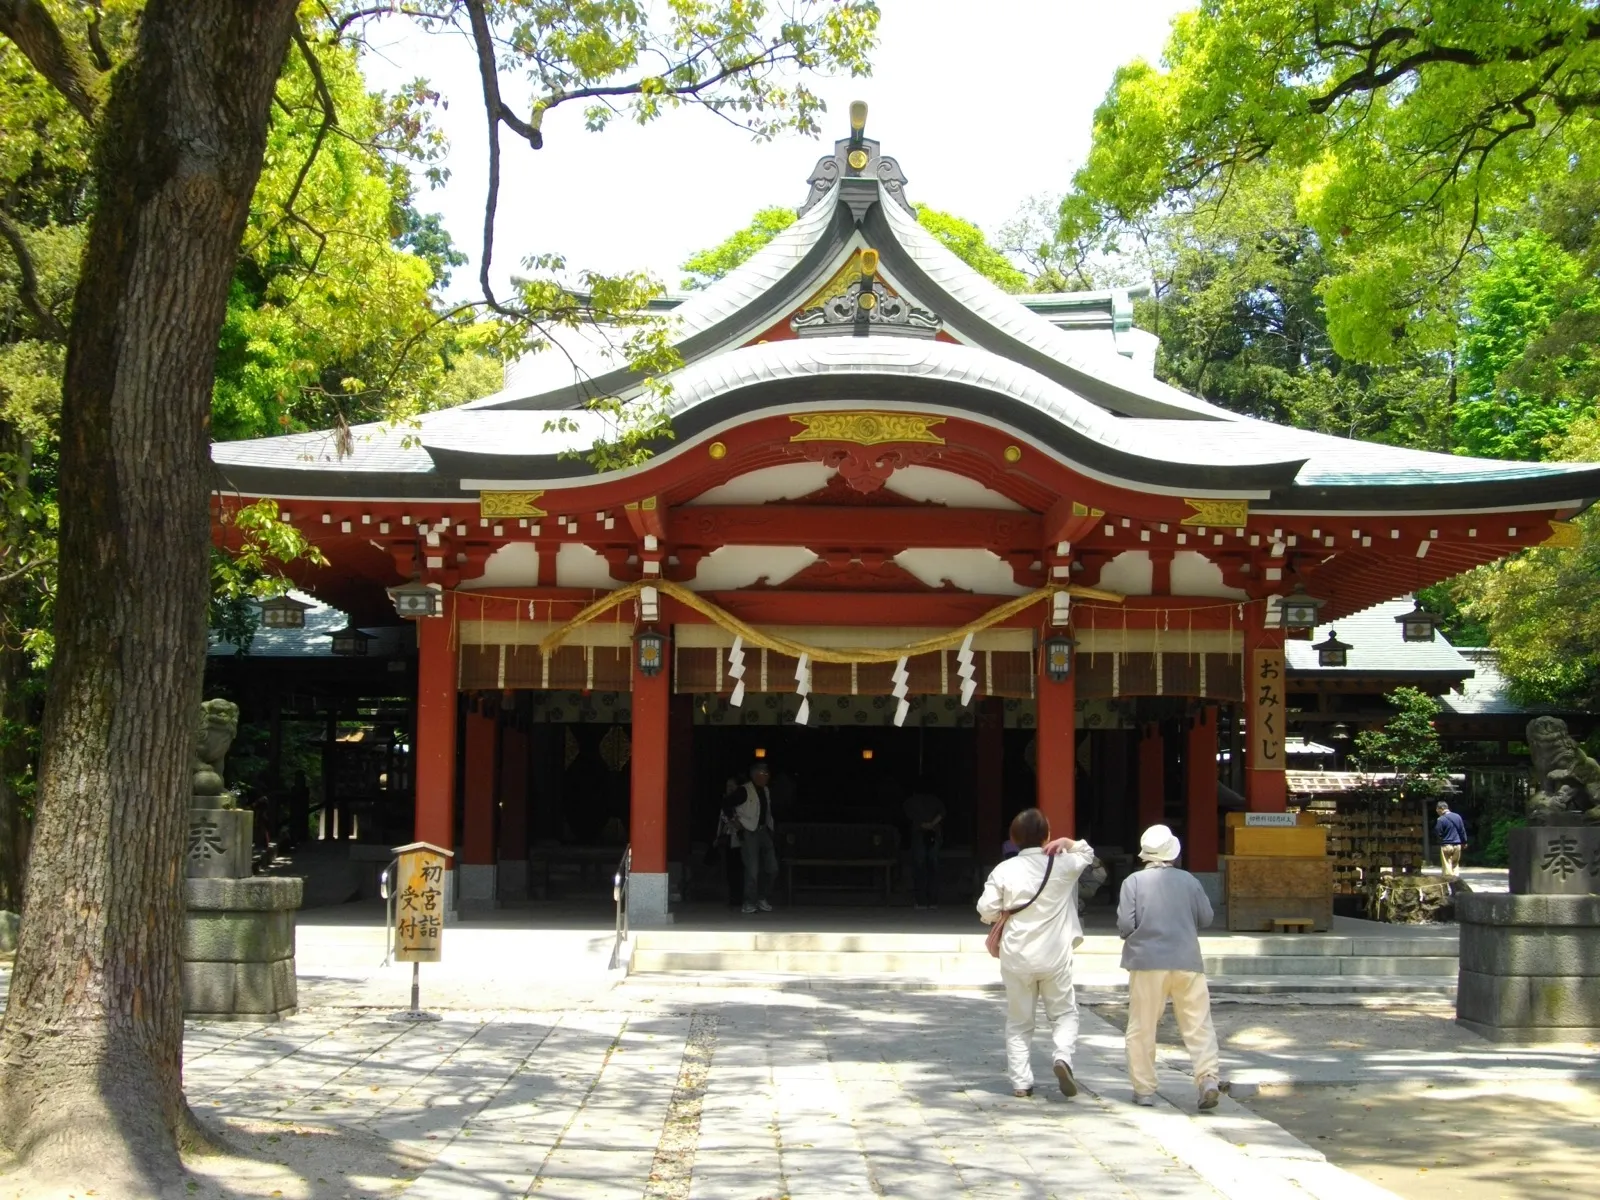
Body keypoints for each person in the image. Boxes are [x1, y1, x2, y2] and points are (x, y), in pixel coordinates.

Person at [976, 808, 1095, 1099]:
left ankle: (1021, 1082)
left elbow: (985, 908)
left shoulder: (1004, 870)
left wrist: (1003, 911)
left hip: (1016, 954)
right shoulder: (1062, 864)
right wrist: (1068, 842)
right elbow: (1088, 853)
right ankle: (1062, 1056)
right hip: (1055, 952)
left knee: (1019, 1020)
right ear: (1047, 835)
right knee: (1064, 1012)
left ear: (1013, 839)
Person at [1117, 824, 1222, 1112]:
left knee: (1142, 1026)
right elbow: (1207, 917)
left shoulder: (1132, 883)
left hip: (1146, 962)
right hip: (1187, 960)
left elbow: (1126, 924)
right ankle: (1208, 1078)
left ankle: (1144, 1089)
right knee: (1198, 1023)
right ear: (1173, 853)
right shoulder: (1189, 881)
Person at [723, 761, 778, 913]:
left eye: (767, 774)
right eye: (763, 774)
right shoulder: (744, 791)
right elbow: (727, 804)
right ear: (755, 775)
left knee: (772, 868)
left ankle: (762, 897)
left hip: (763, 831)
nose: (767, 776)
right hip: (749, 831)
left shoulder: (765, 790)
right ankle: (749, 902)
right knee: (752, 869)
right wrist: (734, 821)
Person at [904, 779, 946, 909]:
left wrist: (922, 824)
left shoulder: (911, 801)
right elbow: (942, 813)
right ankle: (932, 901)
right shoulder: (935, 800)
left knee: (920, 866)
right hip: (932, 833)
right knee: (932, 866)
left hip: (920, 833)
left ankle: (921, 900)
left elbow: (909, 815)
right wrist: (932, 824)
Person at [1435, 800, 1468, 881]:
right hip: (1457, 845)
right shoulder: (1458, 816)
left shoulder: (1441, 819)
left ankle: (1449, 885)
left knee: (1447, 866)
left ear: (1442, 808)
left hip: (1446, 845)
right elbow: (1462, 830)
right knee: (1455, 865)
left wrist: (1440, 840)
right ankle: (1457, 883)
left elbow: (1437, 832)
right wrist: (1464, 842)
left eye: (1437, 809)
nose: (1437, 811)